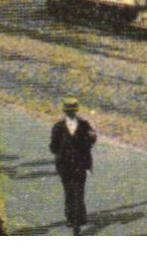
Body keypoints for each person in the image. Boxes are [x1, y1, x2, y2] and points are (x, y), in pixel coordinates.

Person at [49, 98, 97, 236]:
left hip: (80, 164)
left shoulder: (83, 125)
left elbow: (91, 141)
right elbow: (53, 147)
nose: (70, 113)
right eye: (69, 111)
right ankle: (72, 217)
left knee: (78, 192)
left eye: (71, 111)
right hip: (65, 165)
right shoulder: (59, 127)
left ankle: (77, 221)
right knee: (70, 192)